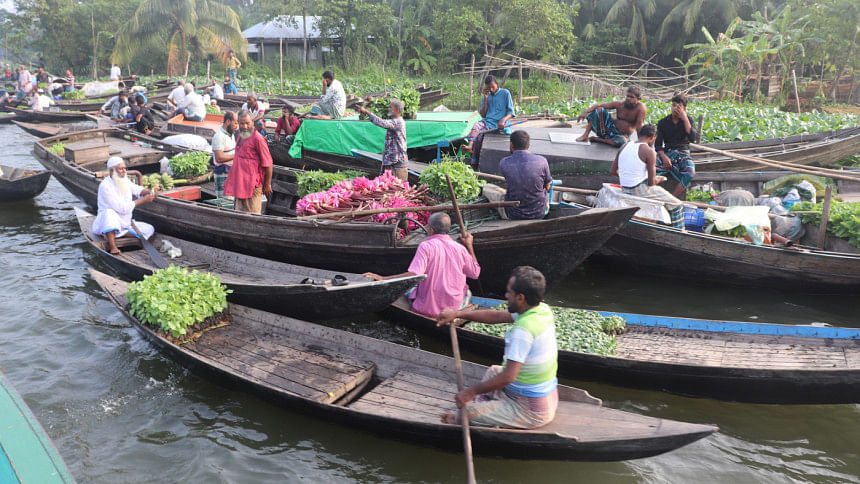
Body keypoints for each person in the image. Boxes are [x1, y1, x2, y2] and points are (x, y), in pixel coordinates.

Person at [436, 266, 558, 429]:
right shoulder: (541, 309)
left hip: (531, 410)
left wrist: (470, 392)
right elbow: (496, 316)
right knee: (494, 370)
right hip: (543, 397)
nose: (506, 296)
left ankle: (487, 411)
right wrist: (457, 314)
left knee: (466, 414)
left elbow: (508, 377)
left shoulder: (524, 330)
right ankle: (495, 407)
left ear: (520, 298)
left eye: (509, 293)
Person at [363, 212, 480, 317]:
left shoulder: (426, 246)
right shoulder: (460, 248)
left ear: (431, 230)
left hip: (428, 309)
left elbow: (414, 274)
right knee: (467, 292)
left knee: (410, 289)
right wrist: (469, 245)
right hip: (453, 307)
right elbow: (475, 273)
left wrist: (383, 278)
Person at [610, 124, 683, 228]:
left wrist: (627, 178)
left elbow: (613, 172)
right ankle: (678, 233)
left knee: (664, 200)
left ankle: (663, 225)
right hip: (638, 189)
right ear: (652, 137)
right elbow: (651, 183)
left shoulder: (624, 146)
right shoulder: (649, 151)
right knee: (677, 205)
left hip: (625, 188)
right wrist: (660, 179)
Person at [92, 157, 158, 255]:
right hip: (108, 221)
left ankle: (115, 233)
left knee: (150, 229)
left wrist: (148, 191)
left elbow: (137, 189)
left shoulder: (124, 179)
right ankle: (113, 246)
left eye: (125, 168)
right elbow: (122, 208)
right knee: (109, 213)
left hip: (125, 222)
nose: (124, 171)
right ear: (111, 170)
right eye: (121, 169)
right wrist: (143, 200)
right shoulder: (105, 186)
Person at [481, 130, 552, 220]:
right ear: (529, 145)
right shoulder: (542, 161)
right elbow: (547, 186)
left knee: (487, 187)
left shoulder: (504, 163)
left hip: (514, 214)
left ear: (511, 145)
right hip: (539, 212)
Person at [224, 110, 273, 214]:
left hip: (252, 185)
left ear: (252, 122)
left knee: (253, 214)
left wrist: (267, 184)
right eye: (242, 123)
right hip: (240, 183)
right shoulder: (240, 136)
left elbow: (268, 163)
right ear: (238, 123)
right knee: (239, 212)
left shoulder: (258, 139)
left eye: (247, 123)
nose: (245, 126)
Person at [463, 75, 515, 166]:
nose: (491, 89)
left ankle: (474, 160)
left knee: (479, 138)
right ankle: (471, 147)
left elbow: (511, 113)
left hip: (499, 125)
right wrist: (486, 99)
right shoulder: (486, 96)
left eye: (493, 87)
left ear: (497, 84)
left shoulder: (505, 93)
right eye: (488, 88)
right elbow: (483, 115)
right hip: (488, 122)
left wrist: (503, 120)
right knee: (477, 127)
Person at [575, 86, 647, 147]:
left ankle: (597, 139)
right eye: (627, 96)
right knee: (599, 110)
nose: (628, 98)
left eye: (632, 97)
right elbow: (599, 105)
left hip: (622, 136)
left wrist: (640, 143)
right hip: (608, 130)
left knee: (622, 142)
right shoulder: (620, 104)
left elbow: (639, 126)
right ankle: (585, 135)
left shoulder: (641, 108)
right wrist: (585, 112)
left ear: (638, 99)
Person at [655, 93, 697, 197]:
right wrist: (664, 157)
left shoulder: (689, 120)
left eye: (679, 107)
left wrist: (685, 118)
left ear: (684, 109)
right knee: (649, 170)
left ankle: (672, 197)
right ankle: (653, 195)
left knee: (690, 172)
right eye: (673, 105)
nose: (675, 108)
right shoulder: (663, 122)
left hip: (683, 154)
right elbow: (658, 145)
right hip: (668, 153)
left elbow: (692, 138)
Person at [356, 99, 408, 180]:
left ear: (397, 110)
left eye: (390, 107)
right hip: (391, 161)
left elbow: (382, 123)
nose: (388, 109)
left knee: (398, 188)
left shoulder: (399, 122)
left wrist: (367, 112)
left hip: (396, 163)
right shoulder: (394, 121)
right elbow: (383, 122)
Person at [211, 111, 238, 198]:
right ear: (228, 122)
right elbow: (219, 158)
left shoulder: (231, 134)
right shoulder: (219, 136)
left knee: (231, 200)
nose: (237, 126)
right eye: (235, 123)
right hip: (223, 174)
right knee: (225, 202)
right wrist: (237, 155)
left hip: (231, 172)